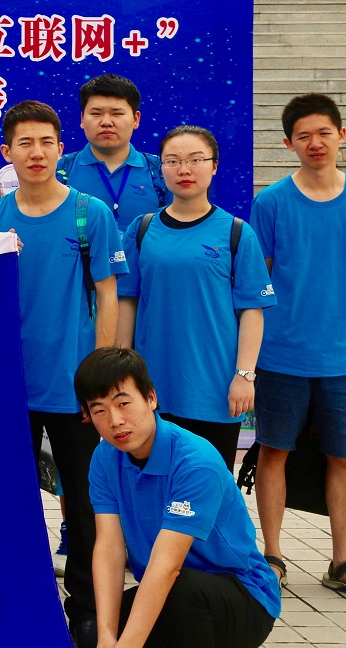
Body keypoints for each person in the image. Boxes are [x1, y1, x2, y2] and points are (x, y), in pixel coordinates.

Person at [0, 100, 126, 645]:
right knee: (7, 501)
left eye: (46, 143)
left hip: (73, 389)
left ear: (61, 148)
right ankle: (14, 602)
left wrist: (99, 380)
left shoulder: (89, 214)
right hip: (8, 390)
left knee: (84, 503)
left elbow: (108, 294)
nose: (36, 153)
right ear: (6, 153)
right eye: (24, 144)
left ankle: (86, 607)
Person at [252, 93, 346, 605]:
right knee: (273, 453)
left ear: (341, 135)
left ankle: (343, 561)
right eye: (303, 135)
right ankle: (272, 556)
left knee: (344, 456)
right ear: (288, 143)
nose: (315, 143)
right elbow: (260, 279)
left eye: (324, 133)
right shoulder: (270, 202)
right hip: (281, 353)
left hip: (341, 355)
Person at [77, 347, 279, 648]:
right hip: (173, 589)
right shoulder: (105, 457)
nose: (115, 420)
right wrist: (107, 636)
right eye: (99, 411)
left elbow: (167, 566)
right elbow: (109, 548)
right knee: (93, 635)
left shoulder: (196, 463)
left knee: (181, 594)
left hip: (244, 598)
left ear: (151, 398)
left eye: (123, 403)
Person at [115, 125, 276, 471]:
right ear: (161, 168)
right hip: (152, 388)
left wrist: (245, 375)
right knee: (151, 483)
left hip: (214, 390)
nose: (184, 170)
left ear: (214, 166)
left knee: (209, 486)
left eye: (195, 160)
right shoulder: (142, 230)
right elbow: (126, 302)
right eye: (172, 161)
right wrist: (121, 372)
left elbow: (252, 310)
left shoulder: (236, 232)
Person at [59, 74, 168, 230]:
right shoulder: (60, 169)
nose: (106, 122)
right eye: (96, 114)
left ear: (136, 119)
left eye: (117, 114)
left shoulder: (161, 170)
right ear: (82, 119)